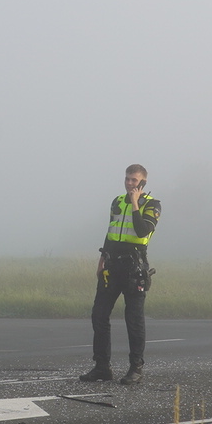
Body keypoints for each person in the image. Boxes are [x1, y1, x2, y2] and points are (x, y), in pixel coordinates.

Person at [81, 164, 162, 385]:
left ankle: (136, 369)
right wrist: (101, 261)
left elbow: (142, 230)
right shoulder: (117, 202)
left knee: (133, 319)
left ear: (143, 182)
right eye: (127, 179)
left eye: (134, 180)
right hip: (112, 265)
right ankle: (101, 367)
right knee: (99, 315)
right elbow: (110, 232)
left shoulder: (152, 205)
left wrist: (135, 202)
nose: (129, 183)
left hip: (134, 268)